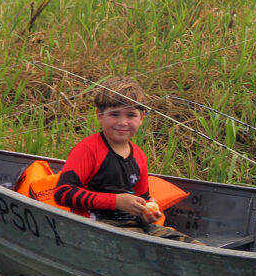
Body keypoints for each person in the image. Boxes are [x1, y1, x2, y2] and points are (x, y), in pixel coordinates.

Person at [54, 76, 203, 244]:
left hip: (135, 226)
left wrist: (147, 212)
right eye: (114, 114)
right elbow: (63, 193)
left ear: (141, 118)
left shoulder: (139, 156)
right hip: (96, 226)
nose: (123, 122)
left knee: (194, 246)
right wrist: (116, 201)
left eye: (131, 115)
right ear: (100, 115)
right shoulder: (88, 149)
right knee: (146, 244)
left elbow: (142, 198)